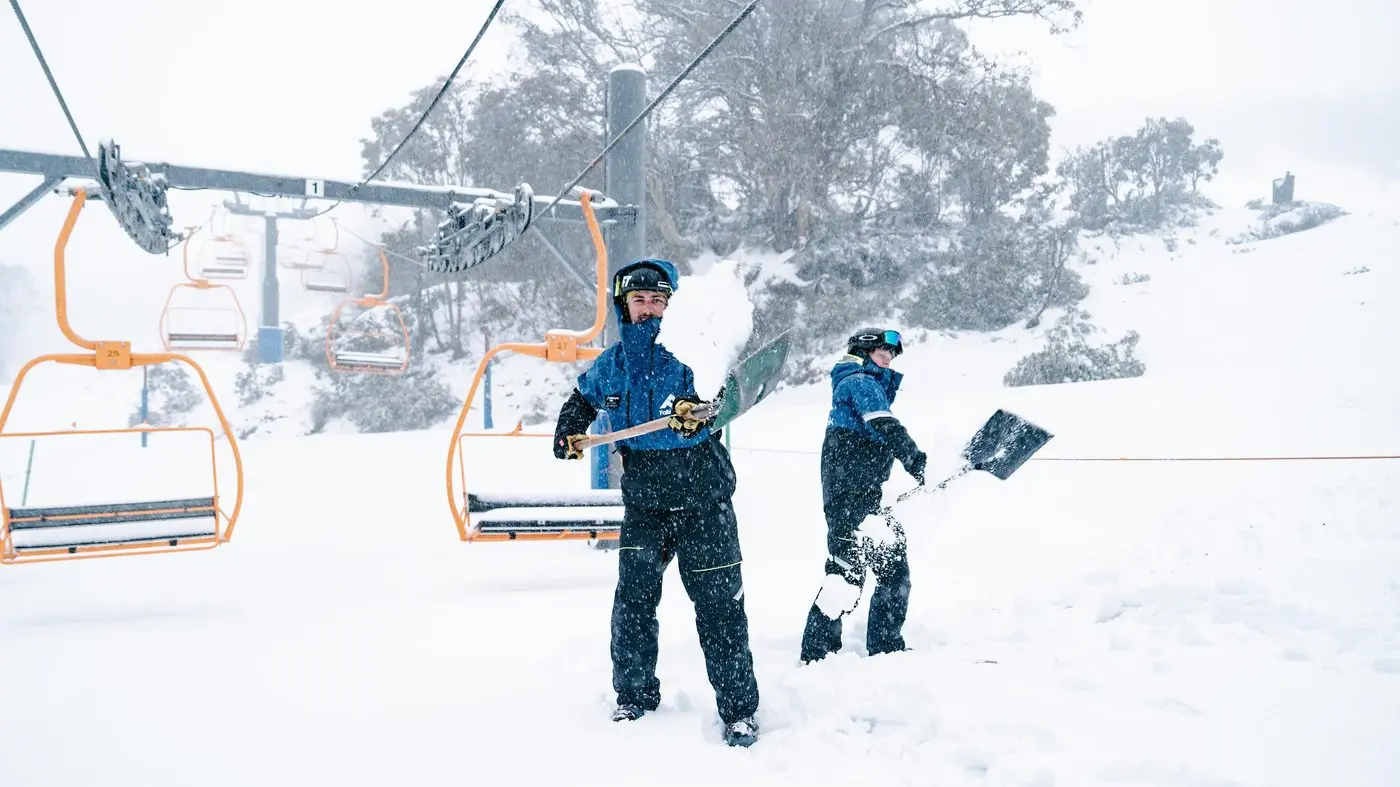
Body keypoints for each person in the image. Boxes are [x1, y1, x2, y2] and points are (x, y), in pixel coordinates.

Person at [552, 258, 761, 748]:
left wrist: (706, 411)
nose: (648, 309)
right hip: (645, 502)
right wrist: (569, 429)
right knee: (633, 603)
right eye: (640, 301)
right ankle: (634, 697)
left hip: (702, 497)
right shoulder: (616, 362)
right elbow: (583, 398)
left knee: (719, 607)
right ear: (624, 306)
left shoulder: (691, 350)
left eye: (658, 301)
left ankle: (738, 712)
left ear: (672, 305)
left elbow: (730, 392)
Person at [799, 327, 927, 664]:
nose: (888, 357)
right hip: (848, 496)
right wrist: (917, 460)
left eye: (892, 353)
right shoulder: (858, 382)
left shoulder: (868, 383)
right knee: (846, 572)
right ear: (863, 349)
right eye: (882, 350)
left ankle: (885, 647)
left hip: (868, 498)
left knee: (893, 569)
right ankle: (818, 656)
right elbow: (884, 424)